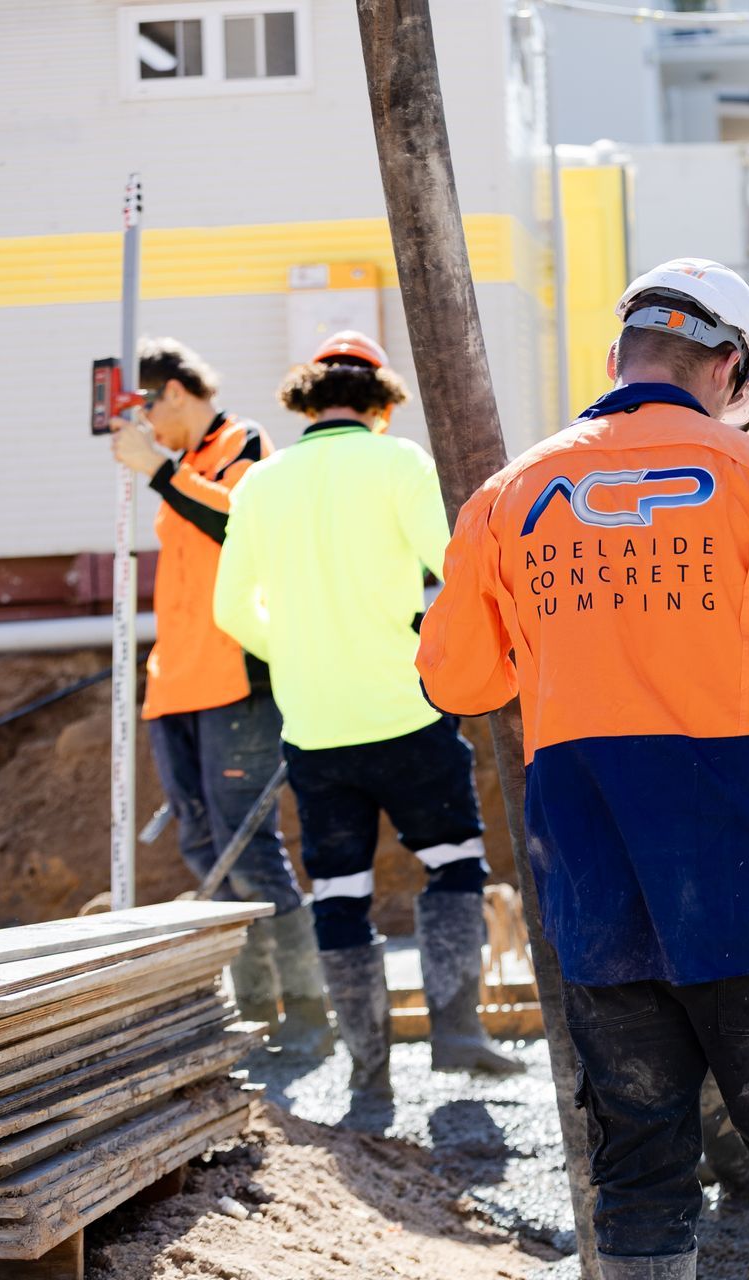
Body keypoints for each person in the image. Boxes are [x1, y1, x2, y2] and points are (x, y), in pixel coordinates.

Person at [417, 258, 749, 1280]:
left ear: (615, 359)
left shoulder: (508, 495)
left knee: (641, 1168)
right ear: (732, 371)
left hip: (601, 879)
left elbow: (456, 681)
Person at [213, 330, 525, 1106]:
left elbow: (229, 609)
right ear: (381, 406)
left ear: (307, 401)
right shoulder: (398, 462)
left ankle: (370, 1072)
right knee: (453, 861)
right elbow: (453, 567)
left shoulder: (261, 483)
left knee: (341, 891)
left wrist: (292, 648)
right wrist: (424, 641)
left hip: (314, 724)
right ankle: (455, 1032)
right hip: (405, 709)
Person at [109, 338, 330, 1058]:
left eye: (145, 411)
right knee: (203, 845)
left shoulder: (245, 444)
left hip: (236, 678)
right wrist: (162, 472)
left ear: (173, 391)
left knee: (248, 847)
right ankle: (256, 1008)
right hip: (176, 679)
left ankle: (306, 1013)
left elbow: (242, 524)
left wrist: (162, 472)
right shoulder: (176, 466)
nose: (142, 431)